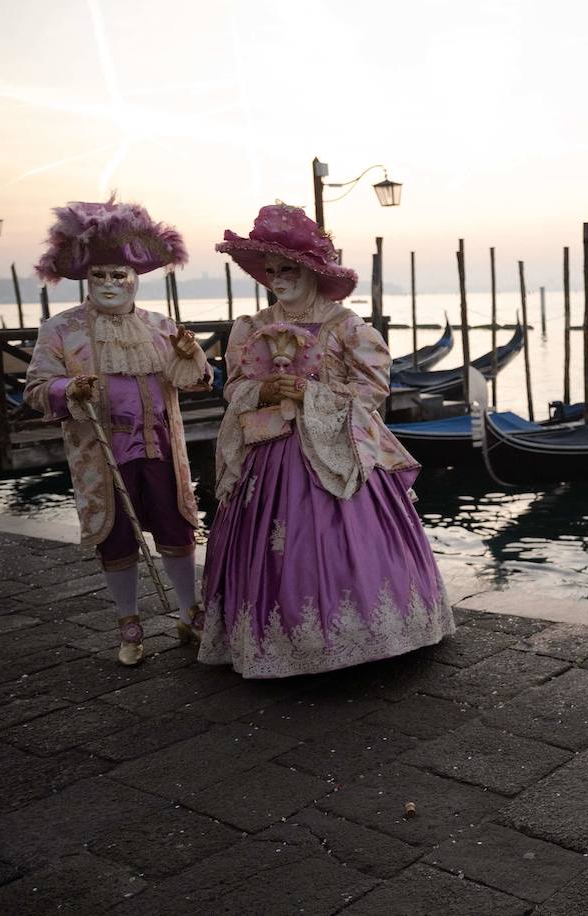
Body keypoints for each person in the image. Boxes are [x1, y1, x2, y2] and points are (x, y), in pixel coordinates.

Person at [200, 204, 453, 678]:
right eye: (270, 270)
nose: (277, 278)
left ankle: (370, 634)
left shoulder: (347, 327)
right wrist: (263, 390)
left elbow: (373, 390)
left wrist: (312, 392)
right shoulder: (251, 328)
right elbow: (234, 387)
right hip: (269, 457)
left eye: (287, 268)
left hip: (336, 453)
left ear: (312, 270)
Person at [25, 198, 209, 666]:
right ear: (87, 280)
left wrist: (191, 355)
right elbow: (36, 389)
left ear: (135, 278)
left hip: (162, 448)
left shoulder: (161, 327)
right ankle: (129, 624)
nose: (110, 284)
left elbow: (198, 383)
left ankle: (190, 614)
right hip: (102, 454)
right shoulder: (60, 330)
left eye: (118, 275)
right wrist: (71, 388)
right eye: (100, 276)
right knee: (116, 537)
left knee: (176, 529)